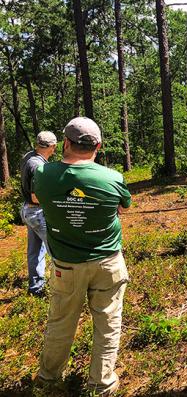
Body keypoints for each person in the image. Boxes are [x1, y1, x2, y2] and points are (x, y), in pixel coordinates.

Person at [33, 117, 131, 396]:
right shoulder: (112, 178)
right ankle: (101, 384)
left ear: (65, 143)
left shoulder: (44, 175)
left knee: (61, 321)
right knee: (108, 323)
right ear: (97, 146)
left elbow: (38, 199)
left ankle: (49, 378)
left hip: (66, 265)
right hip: (107, 261)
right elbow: (123, 208)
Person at [20, 131, 57, 296]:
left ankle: (36, 289)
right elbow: (36, 197)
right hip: (37, 211)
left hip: (28, 211)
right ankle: (62, 287)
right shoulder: (38, 166)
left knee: (35, 250)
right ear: (52, 147)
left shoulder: (29, 156)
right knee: (56, 249)